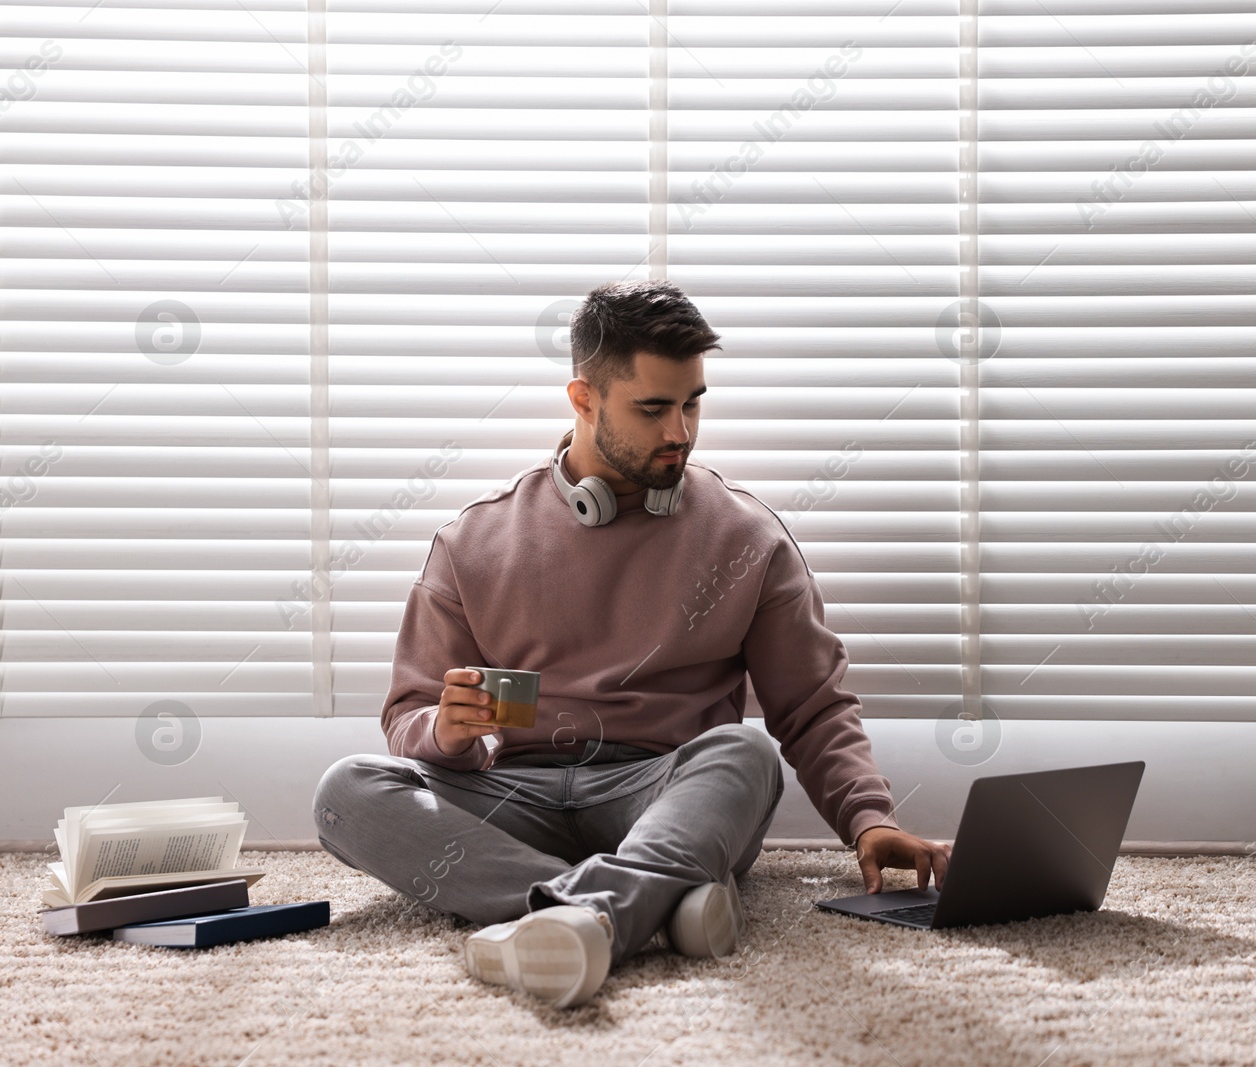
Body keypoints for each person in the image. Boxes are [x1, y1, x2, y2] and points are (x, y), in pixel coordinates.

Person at [312, 279, 950, 1008]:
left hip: (665, 790)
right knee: (346, 790)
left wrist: (869, 819)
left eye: (693, 403)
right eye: (653, 408)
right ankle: (644, 903)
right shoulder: (473, 541)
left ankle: (574, 908)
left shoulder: (745, 536)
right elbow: (409, 715)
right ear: (583, 399)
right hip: (520, 792)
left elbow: (812, 705)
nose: (680, 429)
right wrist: (446, 729)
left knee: (742, 754)